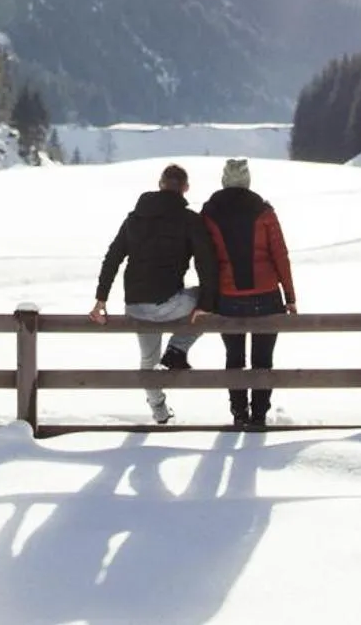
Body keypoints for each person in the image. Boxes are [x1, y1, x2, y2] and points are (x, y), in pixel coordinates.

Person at [91, 163, 216, 424]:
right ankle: (176, 350)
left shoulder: (134, 218)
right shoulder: (190, 220)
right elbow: (206, 262)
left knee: (148, 359)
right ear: (185, 188)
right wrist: (205, 302)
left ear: (160, 184)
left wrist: (101, 299)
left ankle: (158, 410)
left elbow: (113, 258)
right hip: (169, 302)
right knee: (210, 302)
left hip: (135, 304)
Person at [201, 157, 296, 429]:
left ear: (223, 180)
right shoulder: (264, 211)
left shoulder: (209, 212)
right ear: (247, 181)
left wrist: (209, 297)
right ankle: (259, 416)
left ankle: (238, 413)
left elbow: (206, 259)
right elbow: (280, 255)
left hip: (228, 297)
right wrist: (289, 297)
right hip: (266, 296)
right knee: (263, 359)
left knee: (234, 357)